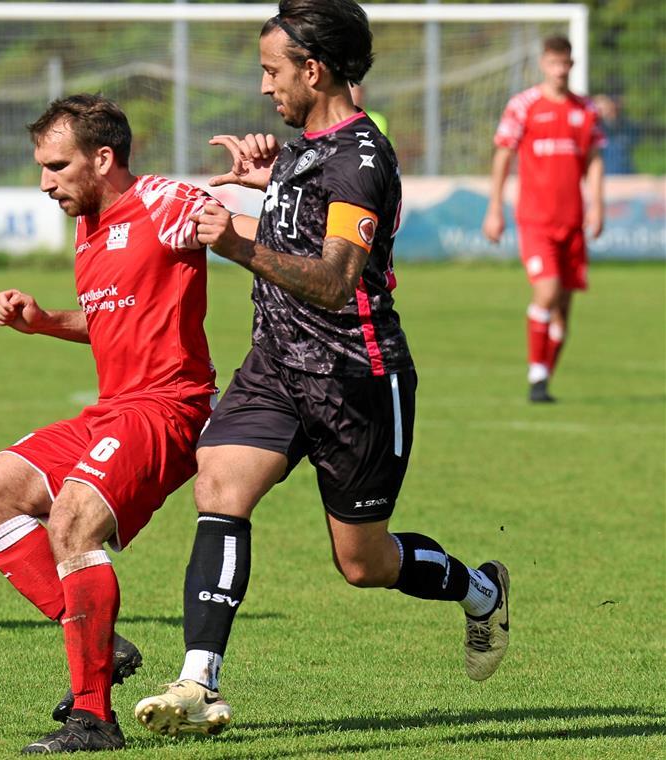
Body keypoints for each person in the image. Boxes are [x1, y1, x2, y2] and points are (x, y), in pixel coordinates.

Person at [133, 0, 510, 737]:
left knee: (363, 564)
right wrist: (258, 192)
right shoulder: (305, 145)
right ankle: (197, 680)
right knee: (220, 481)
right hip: (276, 365)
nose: (265, 86)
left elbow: (337, 279)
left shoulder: (360, 157)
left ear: (315, 69)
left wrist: (237, 243)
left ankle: (480, 591)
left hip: (355, 380)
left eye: (274, 71)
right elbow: (298, 224)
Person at [0, 94, 219, 753]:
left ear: (103, 159)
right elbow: (110, 323)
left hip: (169, 409)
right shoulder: (89, 226)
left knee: (71, 520)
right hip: (113, 408)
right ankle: (104, 646)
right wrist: (44, 321)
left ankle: (94, 719)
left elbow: (238, 227)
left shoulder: (163, 203)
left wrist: (271, 182)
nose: (44, 182)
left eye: (56, 166)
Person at [482, 35, 606, 403]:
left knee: (563, 309)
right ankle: (536, 372)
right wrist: (494, 208)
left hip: (573, 221)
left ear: (571, 64)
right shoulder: (523, 106)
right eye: (553, 62)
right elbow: (503, 154)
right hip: (535, 220)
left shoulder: (585, 111)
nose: (560, 70)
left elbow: (595, 160)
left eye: (565, 63)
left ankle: (542, 379)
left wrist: (597, 205)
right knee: (547, 291)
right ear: (543, 63)